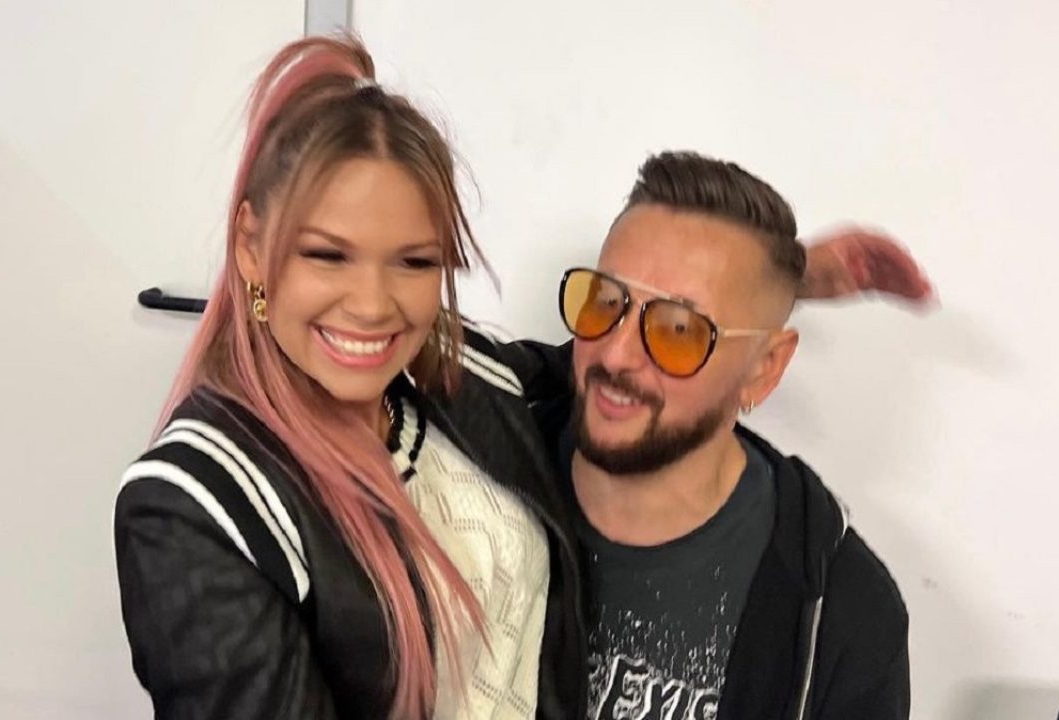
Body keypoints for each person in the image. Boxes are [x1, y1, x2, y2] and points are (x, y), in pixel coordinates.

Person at [115, 35, 928, 720]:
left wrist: (776, 275)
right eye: (325, 254)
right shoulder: (195, 507)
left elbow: (613, 364)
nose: (370, 304)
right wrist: (716, 317)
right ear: (251, 248)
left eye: (414, 262)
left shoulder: (454, 384)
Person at [531, 151, 910, 720]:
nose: (614, 354)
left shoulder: (846, 618)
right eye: (606, 301)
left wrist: (765, 280)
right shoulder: (480, 460)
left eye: (679, 328)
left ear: (765, 368)